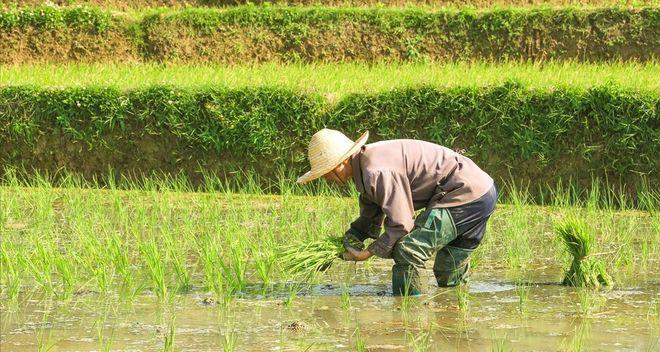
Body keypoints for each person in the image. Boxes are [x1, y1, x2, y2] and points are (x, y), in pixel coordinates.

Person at [297, 129, 497, 295]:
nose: (326, 180)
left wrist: (367, 253)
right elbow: (372, 212)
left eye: (325, 174)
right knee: (449, 267)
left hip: (464, 194)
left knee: (408, 250)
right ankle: (455, 311)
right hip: (482, 190)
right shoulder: (367, 163)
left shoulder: (375, 171)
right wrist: (352, 237)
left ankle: (408, 315)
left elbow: (402, 224)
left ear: (339, 165)